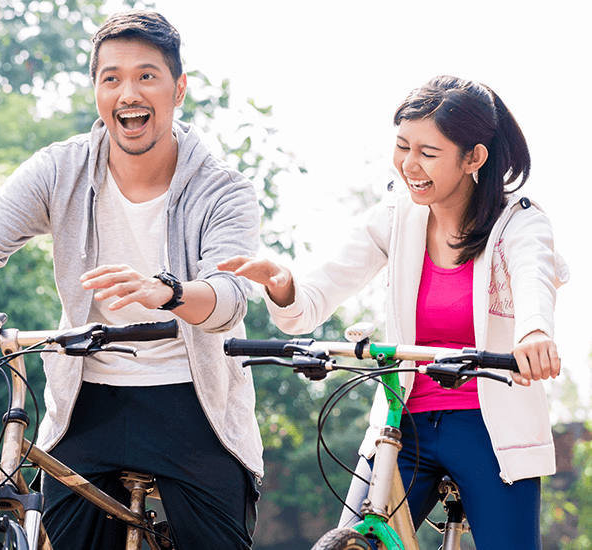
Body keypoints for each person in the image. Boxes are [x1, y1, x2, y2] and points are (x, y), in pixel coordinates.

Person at [0, 10, 263, 550]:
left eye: (147, 76)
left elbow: (228, 298)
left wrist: (168, 291)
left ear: (179, 89)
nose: (129, 93)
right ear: (96, 90)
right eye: (111, 78)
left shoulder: (222, 189)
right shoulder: (60, 169)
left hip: (194, 402)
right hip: (86, 397)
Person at [219, 75, 569, 548]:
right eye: (402, 146)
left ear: (474, 158)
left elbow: (533, 279)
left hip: (490, 428)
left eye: (428, 152)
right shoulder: (395, 219)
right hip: (403, 426)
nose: (409, 165)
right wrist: (284, 286)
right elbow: (316, 293)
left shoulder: (520, 223)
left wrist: (533, 334)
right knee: (354, 539)